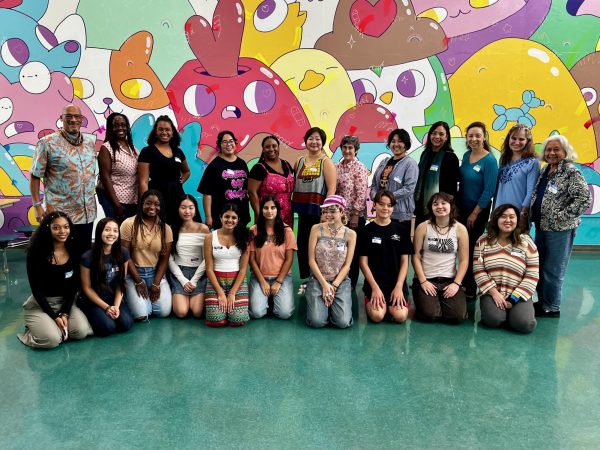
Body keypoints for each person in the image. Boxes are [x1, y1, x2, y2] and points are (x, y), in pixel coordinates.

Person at [530, 135, 591, 317]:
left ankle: (552, 307)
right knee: (540, 266)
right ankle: (542, 302)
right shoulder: (546, 169)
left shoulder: (571, 172)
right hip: (541, 226)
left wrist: (560, 217)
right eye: (548, 149)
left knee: (553, 268)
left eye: (556, 149)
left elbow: (584, 199)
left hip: (560, 229)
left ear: (565, 152)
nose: (551, 153)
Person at [17, 211, 92, 348]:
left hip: (65, 301)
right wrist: (54, 316)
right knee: (52, 340)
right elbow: (36, 289)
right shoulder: (36, 252)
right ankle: (31, 328)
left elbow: (75, 285)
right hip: (41, 304)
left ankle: (50, 326)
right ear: (48, 229)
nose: (62, 231)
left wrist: (65, 312)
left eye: (66, 227)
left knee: (80, 332)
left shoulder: (74, 249)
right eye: (56, 227)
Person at [30, 104, 97, 256]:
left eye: (77, 117)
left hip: (87, 213)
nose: (73, 120)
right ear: (61, 119)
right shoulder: (47, 143)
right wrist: (37, 205)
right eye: (69, 117)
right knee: (62, 257)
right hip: (61, 214)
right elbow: (35, 175)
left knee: (84, 256)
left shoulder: (90, 142)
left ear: (81, 119)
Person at [473, 204, 539, 333]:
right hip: (492, 292)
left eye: (512, 217)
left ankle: (516, 313)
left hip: (518, 293)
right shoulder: (483, 241)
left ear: (517, 220)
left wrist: (513, 299)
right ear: (496, 219)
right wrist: (494, 293)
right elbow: (478, 270)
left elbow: (532, 274)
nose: (508, 220)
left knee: (524, 324)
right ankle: (503, 314)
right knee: (493, 320)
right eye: (503, 217)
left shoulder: (526, 242)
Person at [412, 192, 468, 323]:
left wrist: (456, 283)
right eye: (435, 204)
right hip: (427, 278)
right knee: (430, 315)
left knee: (457, 317)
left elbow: (464, 260)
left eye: (444, 203)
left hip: (449, 280)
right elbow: (415, 256)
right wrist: (423, 281)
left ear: (451, 206)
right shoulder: (422, 227)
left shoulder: (460, 229)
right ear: (431, 207)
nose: (440, 206)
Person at [458, 121, 499, 298]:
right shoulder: (467, 155)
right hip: (462, 208)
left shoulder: (489, 160)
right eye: (470, 135)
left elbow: (489, 189)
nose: (474, 139)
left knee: (472, 249)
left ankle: (470, 288)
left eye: (477, 135)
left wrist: (475, 213)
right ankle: (459, 282)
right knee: (460, 247)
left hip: (478, 211)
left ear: (484, 137)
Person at [359, 190, 412, 324]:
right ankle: (370, 299)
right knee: (377, 316)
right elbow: (363, 263)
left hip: (396, 283)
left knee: (400, 317)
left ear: (393, 207)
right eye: (382, 204)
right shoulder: (366, 231)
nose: (385, 208)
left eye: (389, 205)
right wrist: (375, 288)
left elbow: (405, 261)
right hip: (375, 283)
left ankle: (399, 302)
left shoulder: (402, 230)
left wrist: (399, 286)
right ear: (375, 205)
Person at [292, 127, 337, 284]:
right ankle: (306, 279)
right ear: (306, 141)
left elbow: (331, 188)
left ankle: (320, 279)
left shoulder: (326, 162)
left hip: (318, 213)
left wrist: (326, 212)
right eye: (311, 138)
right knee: (303, 245)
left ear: (322, 142)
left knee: (318, 247)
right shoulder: (299, 161)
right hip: (303, 213)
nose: (314, 142)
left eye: (318, 139)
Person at [120, 189, 173, 320]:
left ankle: (143, 299)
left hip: (155, 274)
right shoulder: (129, 223)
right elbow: (124, 255)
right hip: (133, 275)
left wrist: (155, 284)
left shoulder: (166, 228)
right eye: (148, 203)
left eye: (156, 204)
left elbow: (164, 260)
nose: (152, 207)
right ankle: (129, 299)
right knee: (142, 314)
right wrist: (138, 281)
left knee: (163, 312)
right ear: (141, 204)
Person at [306, 195, 356, 328]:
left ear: (342, 212)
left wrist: (332, 287)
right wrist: (324, 285)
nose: (328, 214)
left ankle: (330, 306)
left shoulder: (350, 234)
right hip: (318, 279)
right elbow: (311, 260)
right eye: (325, 211)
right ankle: (316, 299)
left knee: (343, 322)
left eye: (332, 211)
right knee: (317, 321)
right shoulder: (316, 229)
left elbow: (347, 265)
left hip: (340, 281)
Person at [79, 218, 134, 336]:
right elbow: (87, 288)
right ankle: (87, 316)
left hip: (112, 298)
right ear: (99, 233)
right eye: (107, 230)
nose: (111, 234)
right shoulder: (88, 257)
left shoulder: (123, 253)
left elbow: (121, 282)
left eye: (115, 231)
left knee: (126, 323)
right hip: (94, 301)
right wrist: (106, 307)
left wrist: (116, 306)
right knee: (108, 328)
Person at [249, 196, 297, 319]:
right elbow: (252, 260)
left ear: (277, 210)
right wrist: (262, 282)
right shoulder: (254, 230)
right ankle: (267, 297)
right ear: (261, 209)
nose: (269, 211)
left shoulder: (287, 231)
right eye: (265, 208)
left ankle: (272, 298)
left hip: (282, 277)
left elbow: (289, 259)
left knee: (284, 314)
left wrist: (278, 282)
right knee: (257, 313)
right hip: (260, 276)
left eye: (272, 208)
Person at [204, 203, 251, 327]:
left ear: (238, 220)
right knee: (216, 320)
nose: (230, 220)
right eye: (227, 216)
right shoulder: (210, 237)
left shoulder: (245, 238)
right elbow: (208, 269)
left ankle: (230, 309)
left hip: (237, 281)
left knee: (238, 320)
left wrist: (232, 293)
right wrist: (220, 293)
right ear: (220, 217)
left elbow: (243, 270)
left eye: (234, 217)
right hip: (216, 280)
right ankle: (221, 309)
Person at [138, 115, 190, 225]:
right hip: (157, 196)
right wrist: (145, 203)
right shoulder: (147, 151)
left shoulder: (178, 151)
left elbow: (187, 171)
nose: (164, 132)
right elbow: (143, 181)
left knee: (177, 226)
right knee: (158, 226)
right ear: (155, 132)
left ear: (172, 133)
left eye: (167, 130)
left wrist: (180, 181)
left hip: (177, 195)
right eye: (160, 129)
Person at [168, 195, 211, 319]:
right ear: (178, 209)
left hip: (199, 273)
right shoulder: (172, 229)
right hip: (179, 272)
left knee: (197, 312)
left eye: (191, 208)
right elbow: (169, 258)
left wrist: (194, 280)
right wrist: (183, 280)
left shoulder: (203, 228)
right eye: (183, 208)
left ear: (195, 209)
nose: (187, 211)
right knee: (182, 312)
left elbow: (207, 257)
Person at [335, 135, 369, 290]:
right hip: (339, 217)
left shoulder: (360, 168)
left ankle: (352, 284)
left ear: (356, 150)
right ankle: (340, 280)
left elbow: (361, 193)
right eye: (345, 147)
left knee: (353, 252)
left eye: (351, 148)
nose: (347, 150)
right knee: (340, 249)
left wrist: (355, 215)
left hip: (354, 217)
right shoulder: (338, 166)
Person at [198, 130, 250, 229]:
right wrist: (208, 216)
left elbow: (249, 188)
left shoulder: (242, 163)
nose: (228, 144)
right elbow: (207, 193)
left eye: (231, 141)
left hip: (241, 215)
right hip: (222, 217)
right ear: (220, 145)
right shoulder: (214, 165)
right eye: (224, 142)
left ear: (235, 143)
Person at [370, 128, 418, 234]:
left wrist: (387, 199)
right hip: (381, 213)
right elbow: (374, 184)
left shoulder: (410, 164)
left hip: (400, 215)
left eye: (400, 141)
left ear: (406, 144)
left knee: (397, 248)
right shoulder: (384, 161)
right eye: (393, 141)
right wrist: (376, 197)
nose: (396, 144)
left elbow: (409, 189)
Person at [495, 123, 540, 230]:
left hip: (517, 216)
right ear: (508, 139)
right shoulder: (504, 159)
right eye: (513, 138)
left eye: (521, 139)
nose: (516, 142)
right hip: (499, 213)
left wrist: (523, 215)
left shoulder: (533, 163)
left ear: (527, 142)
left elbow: (531, 192)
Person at [414, 121, 460, 225]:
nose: (437, 136)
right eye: (434, 133)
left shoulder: (450, 158)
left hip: (439, 209)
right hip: (421, 207)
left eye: (441, 134)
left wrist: (442, 208)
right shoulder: (424, 154)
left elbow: (452, 190)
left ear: (447, 137)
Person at [96, 112, 139, 223]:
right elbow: (105, 177)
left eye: (123, 125)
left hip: (132, 200)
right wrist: (117, 206)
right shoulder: (107, 148)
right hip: (115, 201)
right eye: (116, 125)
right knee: (117, 235)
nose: (120, 128)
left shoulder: (133, 148)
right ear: (110, 128)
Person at [248, 135, 295, 226]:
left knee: (286, 239)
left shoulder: (286, 164)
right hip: (268, 215)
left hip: (287, 214)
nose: (271, 149)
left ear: (278, 147)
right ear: (263, 149)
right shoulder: (259, 168)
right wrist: (259, 214)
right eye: (267, 147)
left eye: (274, 146)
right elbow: (251, 192)